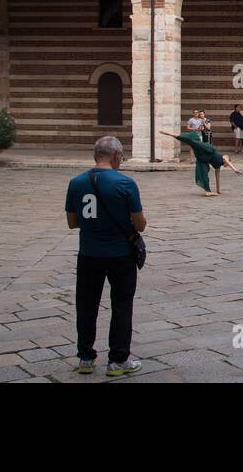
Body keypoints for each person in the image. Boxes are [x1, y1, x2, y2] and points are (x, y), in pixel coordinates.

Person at [65, 136, 146, 377]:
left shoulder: (76, 182)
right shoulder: (125, 183)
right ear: (117, 156)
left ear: (94, 156)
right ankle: (118, 360)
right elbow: (140, 224)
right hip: (120, 254)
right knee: (121, 305)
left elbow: (71, 222)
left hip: (89, 253)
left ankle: (86, 358)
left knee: (86, 305)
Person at [176, 130, 242, 197]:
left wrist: (218, 191)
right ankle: (174, 135)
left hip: (205, 159)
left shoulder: (218, 167)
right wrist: (234, 169)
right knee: (195, 143)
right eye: (227, 165)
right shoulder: (225, 157)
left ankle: (208, 191)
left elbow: (217, 179)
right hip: (209, 150)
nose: (227, 165)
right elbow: (228, 161)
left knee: (204, 174)